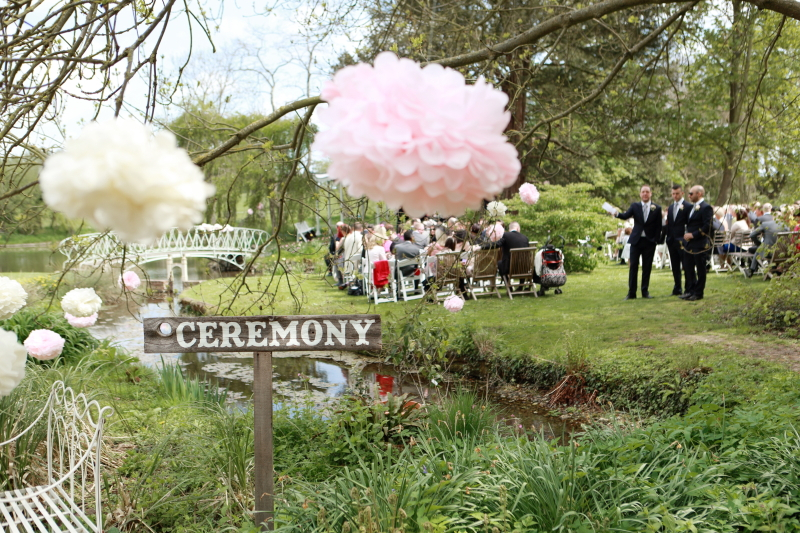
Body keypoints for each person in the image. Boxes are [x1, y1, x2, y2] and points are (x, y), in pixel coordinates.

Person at [614, 185, 662, 299]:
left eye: (647, 192)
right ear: (640, 194)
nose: (645, 194)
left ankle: (645, 291)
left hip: (649, 241)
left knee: (647, 267)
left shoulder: (657, 208)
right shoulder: (635, 206)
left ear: (650, 194)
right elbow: (625, 215)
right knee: (633, 266)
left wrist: (655, 240)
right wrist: (616, 214)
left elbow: (659, 226)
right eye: (643, 192)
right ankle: (632, 293)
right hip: (636, 240)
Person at [681, 185, 714, 301]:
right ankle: (690, 290)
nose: (689, 195)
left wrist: (693, 235)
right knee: (688, 268)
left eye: (691, 193)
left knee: (700, 269)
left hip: (700, 243)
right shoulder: (692, 207)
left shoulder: (706, 207)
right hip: (689, 243)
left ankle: (698, 292)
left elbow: (708, 226)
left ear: (699, 194)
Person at [662, 184, 691, 296]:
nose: (675, 196)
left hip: (683, 240)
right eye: (673, 194)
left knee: (686, 265)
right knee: (674, 265)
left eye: (677, 193)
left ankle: (688, 288)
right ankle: (677, 288)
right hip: (672, 240)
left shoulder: (688, 206)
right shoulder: (670, 208)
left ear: (682, 193)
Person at [745, 203, 788, 277]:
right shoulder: (785, 226)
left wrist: (759, 243)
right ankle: (773, 271)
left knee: (759, 249)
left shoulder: (766, 224)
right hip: (782, 252)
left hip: (769, 252)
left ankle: (751, 270)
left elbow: (752, 235)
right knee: (761, 248)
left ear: (772, 217)